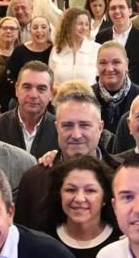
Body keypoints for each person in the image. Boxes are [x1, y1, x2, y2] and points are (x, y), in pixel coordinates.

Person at [14, 81, 118, 229]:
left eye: (84, 125)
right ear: (57, 128)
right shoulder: (33, 181)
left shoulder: (121, 175)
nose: (76, 134)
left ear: (100, 127)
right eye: (67, 125)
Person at [45, 154, 117, 258]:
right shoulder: (44, 243)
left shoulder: (122, 242)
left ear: (105, 197)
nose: (79, 199)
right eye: (71, 190)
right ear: (59, 194)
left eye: (90, 190)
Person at [0, 62, 59, 158]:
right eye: (27, 87)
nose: (33, 95)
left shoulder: (60, 130)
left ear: (51, 94)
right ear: (16, 89)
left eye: (41, 89)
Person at [49, 7, 98, 85]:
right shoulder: (56, 50)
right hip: (62, 96)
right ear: (69, 25)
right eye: (80, 24)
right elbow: (50, 80)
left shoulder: (96, 49)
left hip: (88, 96)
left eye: (86, 24)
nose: (84, 28)